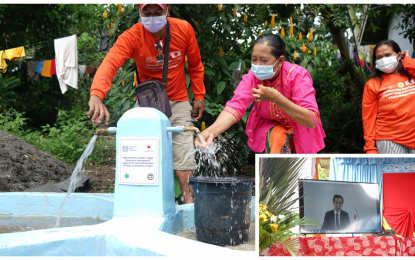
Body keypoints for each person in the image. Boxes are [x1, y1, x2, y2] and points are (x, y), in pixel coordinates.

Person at [87, 4, 206, 204]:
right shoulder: (131, 36)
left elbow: (195, 64)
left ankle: (187, 199)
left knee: (183, 154)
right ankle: (142, 201)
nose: (152, 17)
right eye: (146, 13)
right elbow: (111, 63)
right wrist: (97, 95)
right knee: (138, 151)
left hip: (179, 100)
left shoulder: (184, 29)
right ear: (139, 12)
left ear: (167, 10)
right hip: (147, 104)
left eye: (158, 12)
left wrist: (199, 96)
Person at [195, 34, 325, 154]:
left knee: (306, 175)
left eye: (264, 60)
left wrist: (276, 98)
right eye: (254, 59)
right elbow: (235, 106)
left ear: (280, 61)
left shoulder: (298, 76)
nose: (257, 65)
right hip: (273, 131)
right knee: (275, 136)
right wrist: (209, 132)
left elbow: (311, 120)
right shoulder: (252, 77)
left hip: (302, 128)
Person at [362, 39, 415, 154]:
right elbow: (368, 119)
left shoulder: (411, 75)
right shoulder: (372, 84)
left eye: (388, 55)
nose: (384, 60)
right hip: (389, 140)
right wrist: (370, 148)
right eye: (379, 57)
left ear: (398, 55)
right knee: (396, 172)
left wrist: (407, 61)